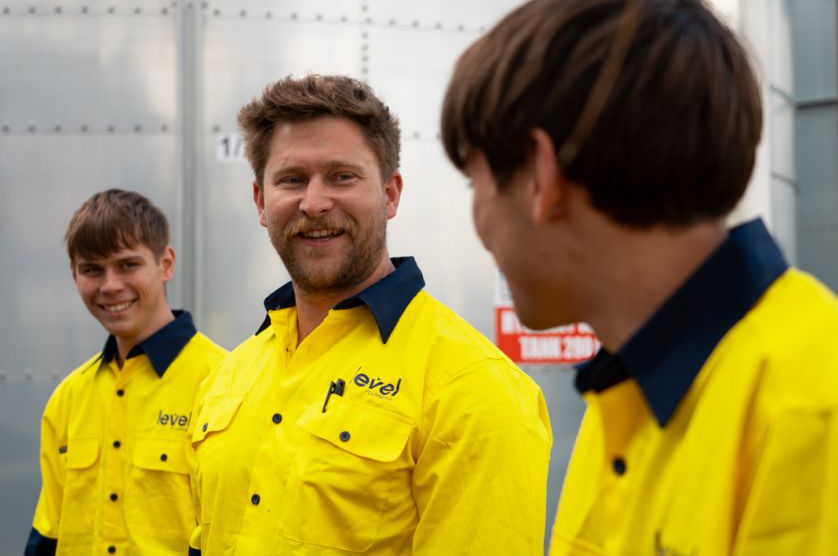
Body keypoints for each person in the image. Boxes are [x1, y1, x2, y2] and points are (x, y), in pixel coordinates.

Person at [441, 0, 838, 555]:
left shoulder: (808, 409)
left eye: (473, 180)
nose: (476, 224)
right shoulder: (627, 392)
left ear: (539, 177)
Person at [186, 74, 552, 555]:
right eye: (292, 179)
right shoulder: (229, 376)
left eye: (342, 176)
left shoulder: (472, 387)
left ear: (391, 194)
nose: (314, 203)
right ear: (260, 201)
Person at [25, 189, 226, 556]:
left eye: (127, 265)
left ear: (165, 263)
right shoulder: (69, 397)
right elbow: (48, 534)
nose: (110, 285)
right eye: (92, 270)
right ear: (74, 276)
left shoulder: (225, 383)